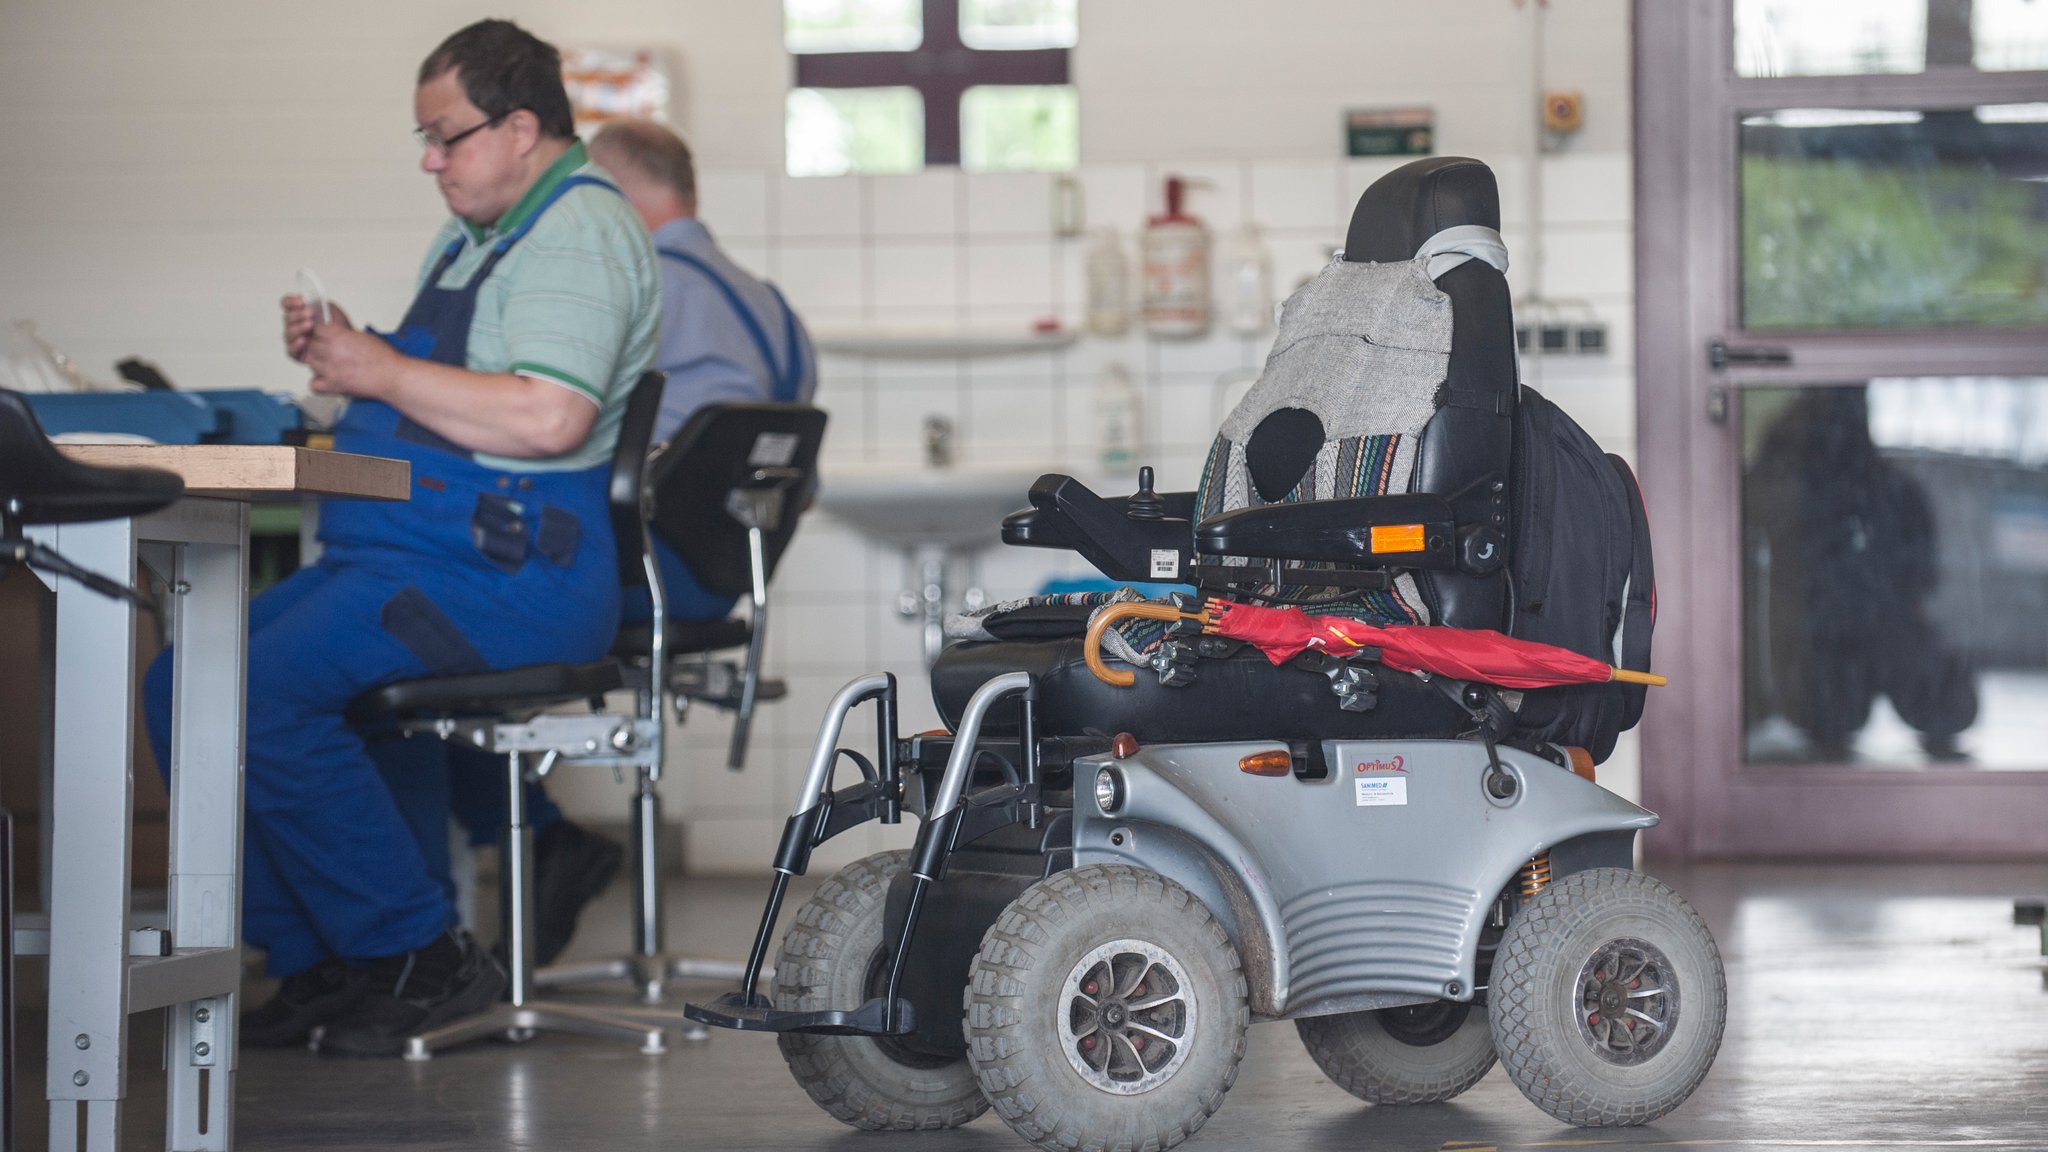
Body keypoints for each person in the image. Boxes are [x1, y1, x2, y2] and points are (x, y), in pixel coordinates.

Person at [142, 19, 660, 1058]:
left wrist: (379, 371)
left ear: (520, 126)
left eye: (445, 136)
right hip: (410, 557)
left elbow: (548, 417)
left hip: (506, 572)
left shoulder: (576, 234)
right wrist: (349, 355)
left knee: (256, 689)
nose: (430, 160)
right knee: (179, 682)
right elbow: (456, 390)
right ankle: (319, 960)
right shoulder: (480, 234)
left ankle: (418, 954)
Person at [443, 119, 818, 883]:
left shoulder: (641, 280)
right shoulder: (771, 305)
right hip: (723, 579)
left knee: (433, 615)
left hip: (646, 573)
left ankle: (529, 851)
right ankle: (545, 848)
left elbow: (557, 420)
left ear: (613, 189)